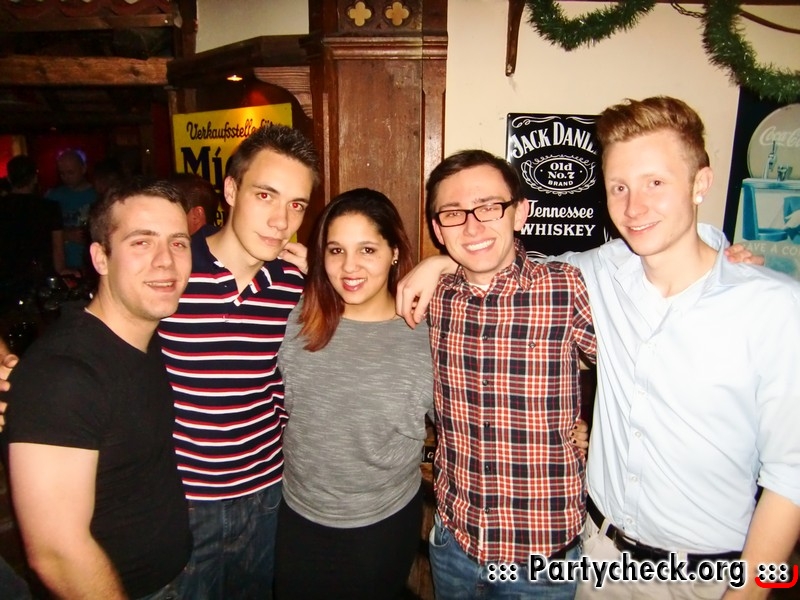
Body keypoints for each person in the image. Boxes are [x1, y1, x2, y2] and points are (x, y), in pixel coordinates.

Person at [399, 97, 800, 599]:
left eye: (656, 183)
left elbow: (791, 473)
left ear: (701, 183)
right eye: (619, 187)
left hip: (704, 575)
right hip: (596, 558)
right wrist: (439, 262)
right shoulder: (594, 273)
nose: (635, 206)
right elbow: (495, 260)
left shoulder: (774, 306)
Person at [5, 179, 193, 599]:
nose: (166, 260)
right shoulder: (63, 374)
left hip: (178, 573)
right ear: (100, 258)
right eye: (142, 242)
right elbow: (56, 553)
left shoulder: (142, 338)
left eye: (178, 243)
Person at [422, 149, 596, 598]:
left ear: (520, 213)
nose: (472, 226)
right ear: (438, 230)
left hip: (541, 556)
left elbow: (640, 372)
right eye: (454, 213)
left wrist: (598, 430)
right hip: (454, 541)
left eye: (489, 207)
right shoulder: (432, 298)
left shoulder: (564, 287)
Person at [157, 124, 319, 599]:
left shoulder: (295, 284)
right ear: (230, 191)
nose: (281, 221)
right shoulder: (171, 273)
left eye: (296, 205)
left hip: (267, 495)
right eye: (265, 196)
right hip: (180, 500)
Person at [273, 188, 432, 599]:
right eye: (336, 250)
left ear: (394, 252)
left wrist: (444, 263)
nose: (349, 266)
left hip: (382, 524)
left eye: (367, 250)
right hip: (296, 516)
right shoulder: (296, 318)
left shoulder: (427, 335)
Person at [0, 155, 68, 294]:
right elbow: (57, 249)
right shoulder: (49, 208)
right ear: (35, 178)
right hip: (40, 278)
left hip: (5, 278)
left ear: (9, 178)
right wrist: (61, 274)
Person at [46, 149, 97, 272]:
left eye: (70, 172)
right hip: (62, 264)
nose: (66, 177)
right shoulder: (53, 197)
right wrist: (66, 235)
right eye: (62, 173)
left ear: (83, 169)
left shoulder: (96, 195)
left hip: (89, 263)